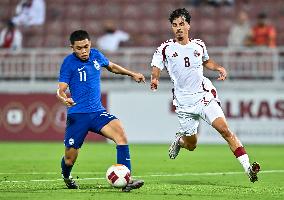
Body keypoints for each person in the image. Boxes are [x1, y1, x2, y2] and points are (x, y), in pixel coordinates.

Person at [150, 8, 260, 182]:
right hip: (184, 103)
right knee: (192, 145)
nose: (178, 28)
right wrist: (155, 79)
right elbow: (156, 67)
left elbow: (206, 61)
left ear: (188, 25)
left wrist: (218, 68)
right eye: (174, 25)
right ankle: (180, 141)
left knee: (224, 130)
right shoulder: (165, 48)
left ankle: (248, 168)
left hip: (203, 96)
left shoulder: (199, 45)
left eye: (181, 24)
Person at [57, 30, 145, 192]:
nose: (83, 51)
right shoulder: (68, 63)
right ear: (72, 48)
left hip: (97, 112)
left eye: (86, 47)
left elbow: (111, 66)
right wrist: (64, 98)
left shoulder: (96, 55)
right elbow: (61, 89)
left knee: (120, 134)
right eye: (79, 48)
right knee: (70, 159)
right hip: (78, 115)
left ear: (90, 44)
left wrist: (132, 74)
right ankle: (67, 176)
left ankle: (127, 179)